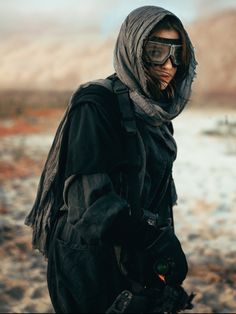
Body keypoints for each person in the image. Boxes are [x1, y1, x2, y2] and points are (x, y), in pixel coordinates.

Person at [25, 5, 197, 313]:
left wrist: (161, 263)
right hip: (89, 265)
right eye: (156, 51)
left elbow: (154, 196)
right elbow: (91, 208)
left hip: (132, 254)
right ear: (133, 49)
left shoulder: (155, 114)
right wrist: (154, 240)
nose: (169, 65)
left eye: (177, 53)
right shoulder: (96, 105)